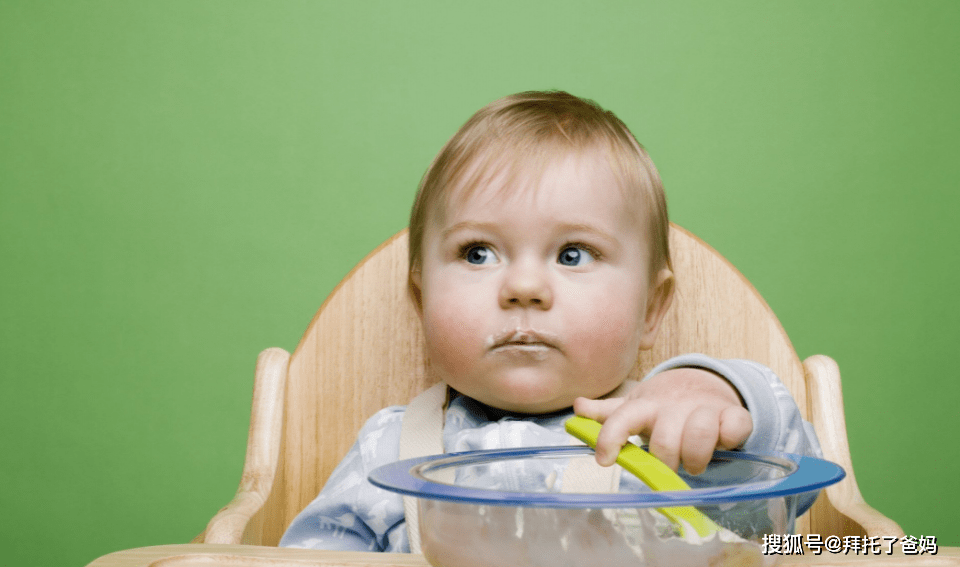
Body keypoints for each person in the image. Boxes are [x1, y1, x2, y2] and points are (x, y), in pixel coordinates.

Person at [280, 90, 822, 552]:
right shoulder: (390, 449)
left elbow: (790, 497)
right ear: (421, 301)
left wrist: (714, 393)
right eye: (477, 253)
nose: (523, 288)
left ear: (652, 309)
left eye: (572, 255)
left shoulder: (665, 442)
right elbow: (313, 556)